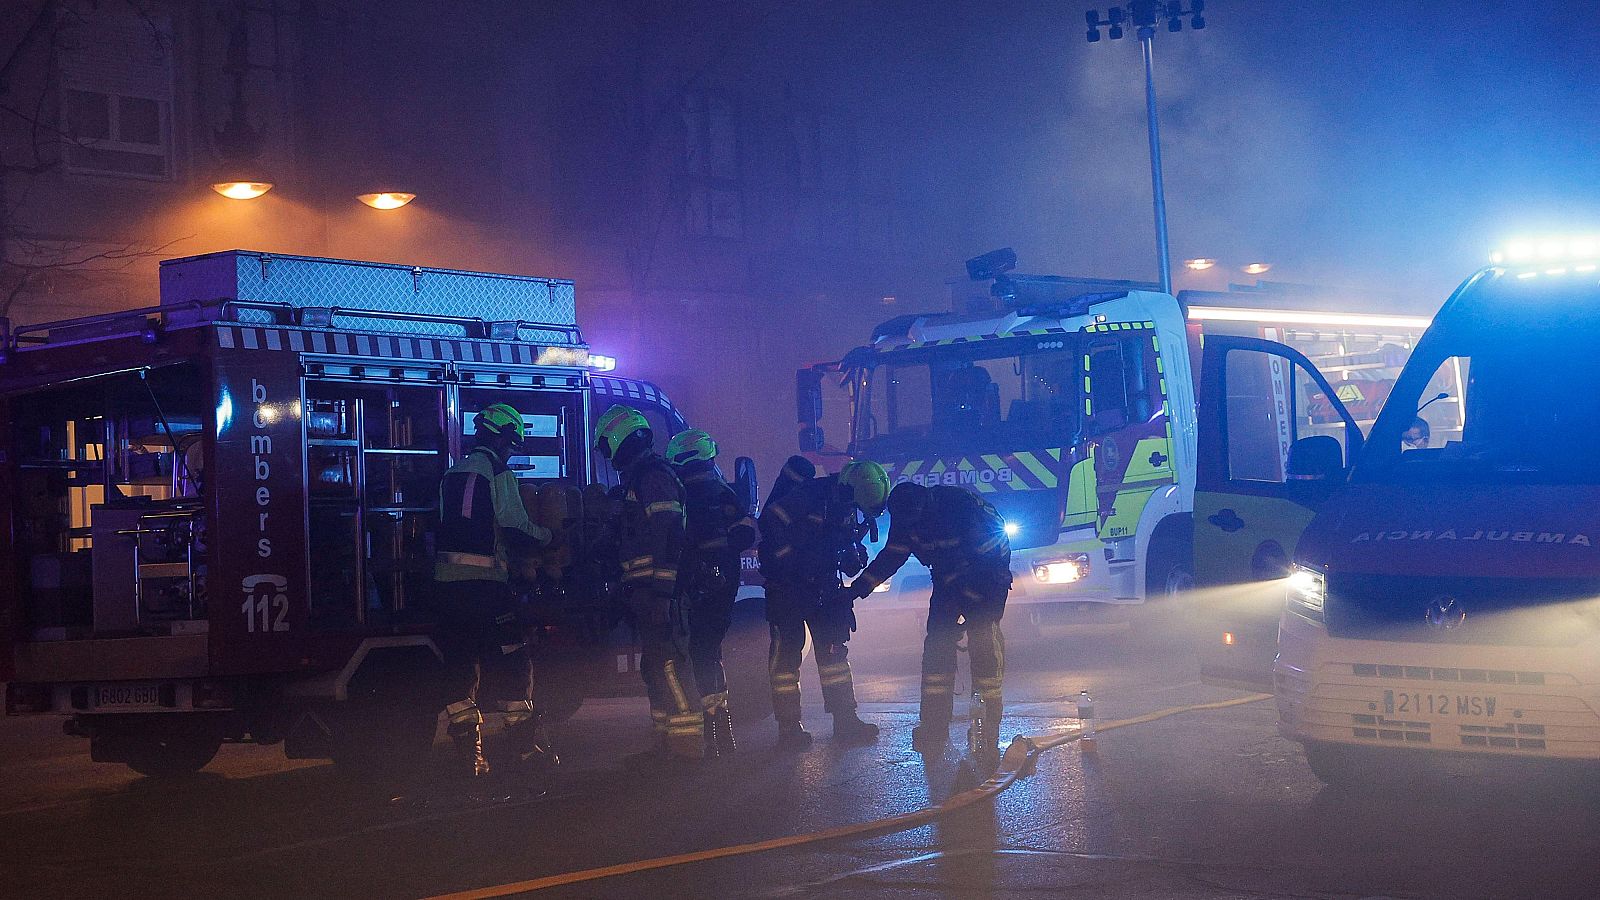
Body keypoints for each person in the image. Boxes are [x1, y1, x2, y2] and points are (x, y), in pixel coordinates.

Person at [841, 481, 1011, 763]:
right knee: (936, 650)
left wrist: (973, 605)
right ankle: (934, 727)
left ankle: (987, 729)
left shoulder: (960, 508)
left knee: (985, 652)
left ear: (925, 505)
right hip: (947, 580)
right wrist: (856, 590)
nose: (910, 527)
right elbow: (892, 556)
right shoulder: (906, 517)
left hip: (988, 580)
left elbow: (989, 558)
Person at [433, 402, 554, 779]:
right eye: (512, 444)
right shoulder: (499, 473)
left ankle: (470, 761)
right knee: (513, 664)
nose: (512, 451)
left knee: (461, 670)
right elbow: (515, 526)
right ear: (503, 439)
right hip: (486, 590)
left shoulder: (451, 474)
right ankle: (524, 754)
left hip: (447, 591)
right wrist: (549, 537)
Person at [593, 404, 703, 764]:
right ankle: (665, 744)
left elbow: (669, 535)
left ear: (621, 440)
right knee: (655, 667)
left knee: (670, 665)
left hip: (660, 594)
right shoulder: (639, 480)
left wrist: (662, 593)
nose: (607, 455)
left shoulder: (654, 477)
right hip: (645, 593)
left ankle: (686, 748)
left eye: (607, 446)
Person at [758, 459, 891, 750]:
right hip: (788, 588)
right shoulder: (810, 494)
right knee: (786, 659)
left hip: (825, 585)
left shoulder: (846, 503)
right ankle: (789, 729)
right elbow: (769, 522)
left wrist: (853, 554)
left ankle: (846, 721)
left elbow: (838, 541)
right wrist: (792, 561)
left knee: (834, 655)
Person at [664, 429, 757, 757]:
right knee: (710, 653)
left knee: (697, 654)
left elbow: (676, 543)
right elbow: (744, 534)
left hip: (697, 588)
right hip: (722, 587)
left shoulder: (683, 496)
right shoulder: (723, 493)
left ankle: (711, 734)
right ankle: (721, 732)